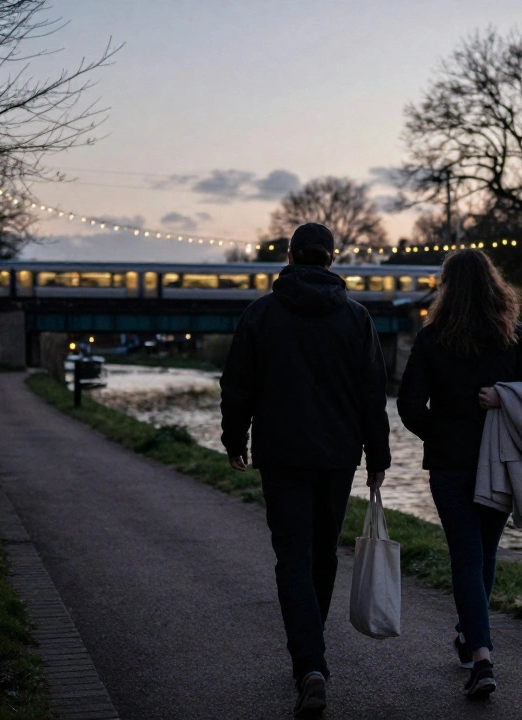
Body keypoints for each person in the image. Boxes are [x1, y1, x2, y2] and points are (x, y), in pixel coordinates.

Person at [220, 222, 391, 718]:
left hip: (281, 454)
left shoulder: (260, 314)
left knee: (291, 557)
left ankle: (310, 666)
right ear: (332, 260)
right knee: (322, 555)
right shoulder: (357, 318)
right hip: (338, 456)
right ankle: (313, 656)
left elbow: (238, 385)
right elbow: (371, 395)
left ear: (291, 257)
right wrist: (377, 456)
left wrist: (236, 440)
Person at [396, 248, 522, 700]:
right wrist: (504, 399)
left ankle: (479, 653)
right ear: (493, 284)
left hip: (450, 465)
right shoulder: (512, 335)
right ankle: (473, 642)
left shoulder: (432, 338)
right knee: (484, 554)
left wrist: (438, 434)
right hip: (500, 463)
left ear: (446, 288)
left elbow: (407, 406)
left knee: (466, 556)